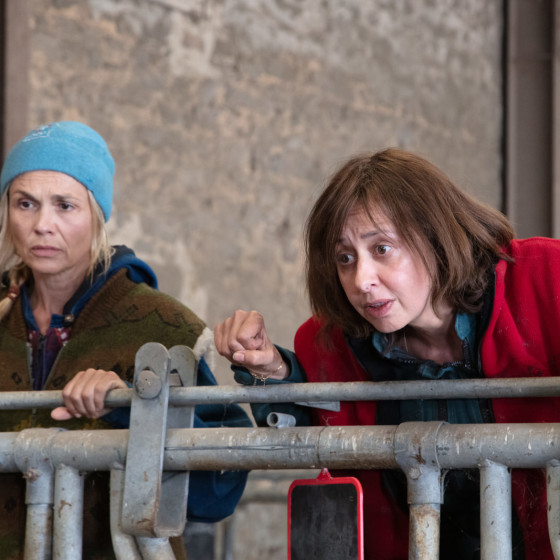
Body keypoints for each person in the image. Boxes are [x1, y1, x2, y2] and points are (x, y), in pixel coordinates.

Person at [215, 147, 560, 560]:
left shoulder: (546, 280)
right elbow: (308, 431)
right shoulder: (329, 345)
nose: (361, 280)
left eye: (381, 248)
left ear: (435, 237)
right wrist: (273, 370)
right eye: (345, 258)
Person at [0, 121, 251, 560]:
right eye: (25, 203)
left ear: (97, 214)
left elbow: (220, 490)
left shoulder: (164, 328)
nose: (42, 225)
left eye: (65, 205)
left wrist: (133, 406)